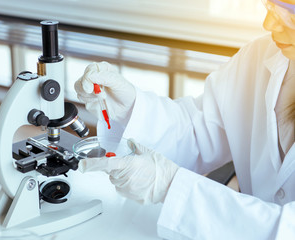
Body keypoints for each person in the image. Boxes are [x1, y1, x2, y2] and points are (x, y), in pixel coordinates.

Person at [74, 0, 295, 239]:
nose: (269, 23)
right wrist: (130, 107)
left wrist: (170, 186)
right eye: (270, 7)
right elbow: (199, 131)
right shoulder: (259, 56)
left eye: (289, 17)